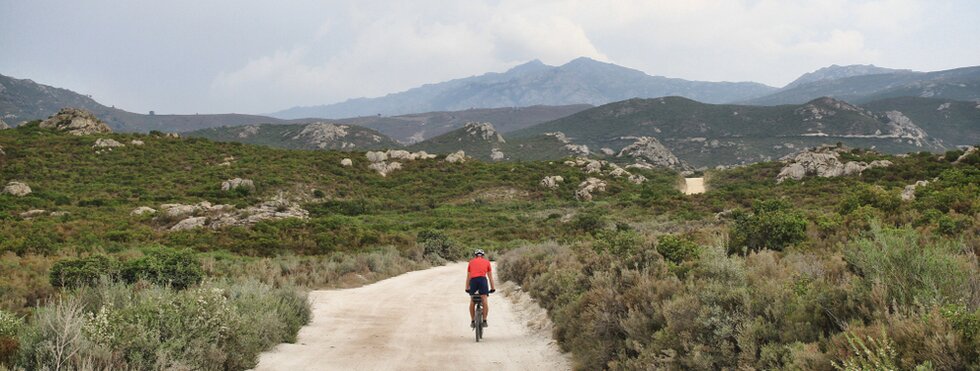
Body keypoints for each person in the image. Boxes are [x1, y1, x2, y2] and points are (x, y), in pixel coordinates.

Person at [465, 249, 495, 328]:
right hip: (482, 280)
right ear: (483, 256)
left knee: (472, 300)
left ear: (475, 256)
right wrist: (493, 288)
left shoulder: (471, 262)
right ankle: (484, 321)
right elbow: (490, 277)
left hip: (473, 281)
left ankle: (472, 321)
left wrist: (467, 287)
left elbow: (468, 277)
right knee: (484, 300)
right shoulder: (487, 262)